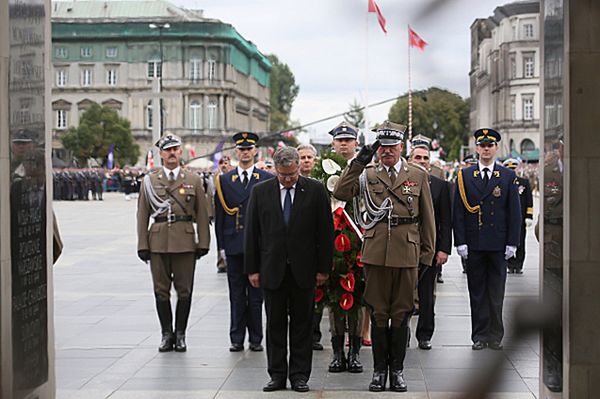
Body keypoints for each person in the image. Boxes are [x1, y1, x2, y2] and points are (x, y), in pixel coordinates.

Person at [333, 121, 436, 392]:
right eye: (382, 147)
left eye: (392, 146)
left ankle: (397, 371)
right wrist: (358, 162)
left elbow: (427, 218)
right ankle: (379, 371)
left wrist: (427, 256)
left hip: (407, 251)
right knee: (379, 314)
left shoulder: (418, 174)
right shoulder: (367, 173)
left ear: (402, 146)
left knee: (401, 314)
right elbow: (341, 192)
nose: (387, 151)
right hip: (376, 252)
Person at [244, 146, 333, 392]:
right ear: (275, 170)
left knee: (302, 325)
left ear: (298, 168)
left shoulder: (315, 190)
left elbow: (325, 232)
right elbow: (252, 233)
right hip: (272, 270)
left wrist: (324, 268)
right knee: (274, 324)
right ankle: (277, 375)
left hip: (304, 270)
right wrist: (252, 269)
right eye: (283, 175)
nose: (288, 179)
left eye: (292, 174)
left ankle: (299, 375)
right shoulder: (261, 192)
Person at [136, 133, 210, 352]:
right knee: (161, 291)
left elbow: (203, 214)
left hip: (185, 241)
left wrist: (203, 242)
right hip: (158, 241)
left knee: (185, 291)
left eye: (175, 149)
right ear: (161, 154)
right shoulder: (150, 181)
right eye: (167, 150)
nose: (171, 153)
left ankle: (180, 334)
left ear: (180, 153)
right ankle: (166, 334)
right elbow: (142, 215)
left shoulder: (194, 180)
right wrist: (142, 244)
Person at [453, 128, 521, 351]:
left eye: (489, 145)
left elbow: (514, 213)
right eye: (482, 145)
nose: (485, 149)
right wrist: (460, 241)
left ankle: (496, 336)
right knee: (477, 291)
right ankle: (480, 336)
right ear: (476, 148)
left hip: (498, 243)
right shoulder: (465, 175)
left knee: (496, 292)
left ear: (496, 148)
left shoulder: (507, 176)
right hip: (474, 243)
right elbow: (459, 212)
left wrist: (513, 242)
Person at [214, 132, 272, 352]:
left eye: (249, 149)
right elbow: (220, 216)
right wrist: (221, 247)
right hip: (234, 244)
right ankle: (236, 338)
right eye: (241, 149)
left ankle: (256, 338)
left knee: (256, 295)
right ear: (236, 152)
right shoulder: (225, 180)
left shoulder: (266, 179)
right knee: (237, 294)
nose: (245, 152)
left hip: (258, 245)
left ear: (255, 151)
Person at [324, 121, 365, 373]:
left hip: (359, 240)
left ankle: (355, 352)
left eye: (348, 140)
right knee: (335, 298)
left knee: (357, 299)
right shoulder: (322, 170)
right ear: (333, 143)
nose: (343, 144)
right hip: (333, 242)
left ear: (356, 144)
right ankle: (338, 352)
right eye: (340, 140)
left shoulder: (366, 170)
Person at [408, 137, 452, 350]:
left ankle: (425, 334)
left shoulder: (440, 186)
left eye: (426, 158)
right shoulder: (402, 181)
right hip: (405, 246)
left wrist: (444, 249)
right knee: (404, 295)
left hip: (430, 248)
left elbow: (446, 220)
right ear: (410, 159)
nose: (422, 161)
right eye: (418, 157)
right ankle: (402, 333)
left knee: (426, 295)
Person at [503, 158, 534, 274]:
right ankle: (510, 264)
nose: (512, 171)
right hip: (506, 219)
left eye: (513, 169)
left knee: (520, 242)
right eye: (509, 169)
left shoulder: (523, 183)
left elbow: (529, 201)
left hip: (520, 218)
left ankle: (519, 264)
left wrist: (529, 216)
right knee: (507, 242)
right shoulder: (502, 182)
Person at [215, 155, 234, 273]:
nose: (224, 165)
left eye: (226, 163)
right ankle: (221, 261)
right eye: (221, 163)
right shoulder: (215, 178)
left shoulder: (233, 178)